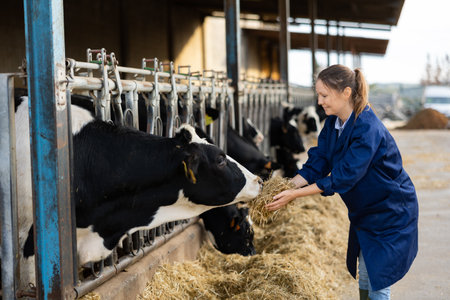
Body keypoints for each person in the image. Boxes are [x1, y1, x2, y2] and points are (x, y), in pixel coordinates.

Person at [266, 64, 418, 300]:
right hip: (366, 209)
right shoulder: (332, 124)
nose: (319, 101)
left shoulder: (367, 127)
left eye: (324, 95)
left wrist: (294, 195)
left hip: (391, 209)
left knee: (379, 279)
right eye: (318, 94)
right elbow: (319, 162)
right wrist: (286, 187)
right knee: (367, 274)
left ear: (346, 92)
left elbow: (345, 175)